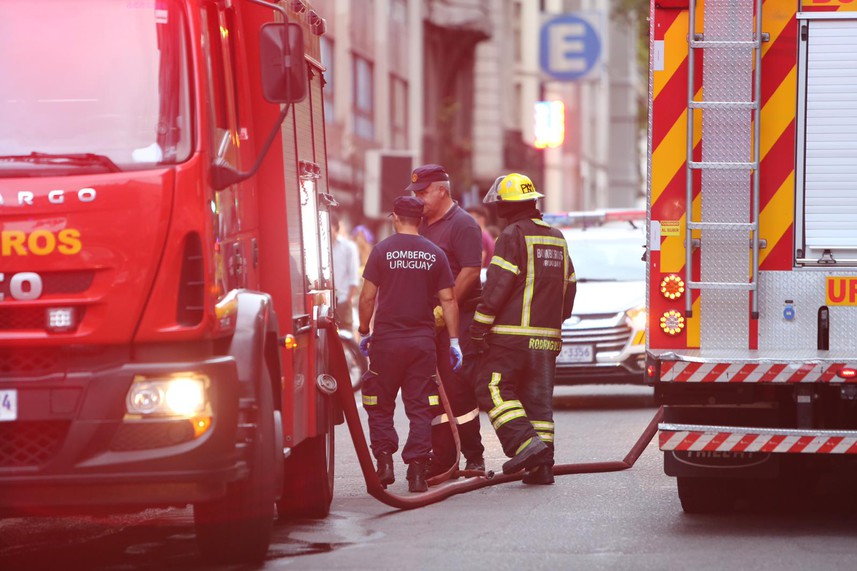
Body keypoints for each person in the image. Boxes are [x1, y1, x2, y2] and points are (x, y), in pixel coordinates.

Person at [470, 173, 576, 485]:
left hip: (512, 337)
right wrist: (555, 323)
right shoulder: (557, 236)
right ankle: (542, 468)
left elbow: (497, 286)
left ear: (506, 206)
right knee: (538, 403)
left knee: (491, 387)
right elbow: (569, 286)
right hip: (547, 339)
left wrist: (478, 328)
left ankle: (525, 445)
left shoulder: (512, 235)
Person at [357, 196, 463, 493]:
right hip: (421, 344)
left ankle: (384, 461)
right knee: (420, 406)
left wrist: (365, 330)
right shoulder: (435, 253)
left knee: (379, 404)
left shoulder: (381, 251)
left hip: (387, 343)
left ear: (394, 217)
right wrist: (454, 341)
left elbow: (367, 298)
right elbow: (449, 300)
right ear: (420, 220)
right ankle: (417, 472)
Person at [406, 163, 485, 476]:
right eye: (416, 193)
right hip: (426, 321)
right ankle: (442, 458)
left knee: (456, 387)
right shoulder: (422, 225)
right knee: (430, 391)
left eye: (424, 192)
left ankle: (473, 456)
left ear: (442, 190)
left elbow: (470, 271)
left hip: (457, 318)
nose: (420, 199)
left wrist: (446, 308)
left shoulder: (463, 225)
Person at [331, 214, 361, 335]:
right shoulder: (320, 246)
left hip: (343, 300)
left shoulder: (349, 247)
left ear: (336, 228)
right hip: (325, 302)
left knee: (345, 337)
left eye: (330, 227)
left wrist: (347, 300)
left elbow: (354, 279)